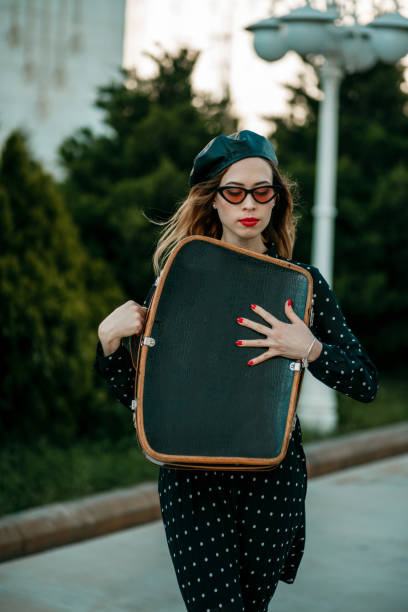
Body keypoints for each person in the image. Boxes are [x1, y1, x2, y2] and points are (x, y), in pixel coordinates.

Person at [94, 130, 378, 611]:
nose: (250, 203)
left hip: (272, 481)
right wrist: (108, 344)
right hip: (192, 479)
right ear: (214, 201)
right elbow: (143, 398)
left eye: (262, 191)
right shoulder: (179, 278)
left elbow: (366, 382)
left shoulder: (303, 284)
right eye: (234, 191)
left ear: (276, 199)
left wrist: (309, 347)